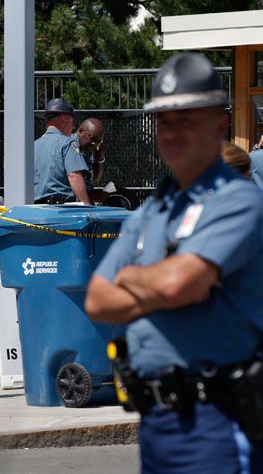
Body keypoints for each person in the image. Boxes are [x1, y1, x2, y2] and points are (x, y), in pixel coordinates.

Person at [86, 52, 263, 472]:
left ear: (219, 123)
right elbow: (97, 299)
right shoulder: (156, 207)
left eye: (188, 118)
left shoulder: (238, 200)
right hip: (157, 422)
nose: (174, 132)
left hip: (218, 420)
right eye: (165, 121)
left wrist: (132, 278)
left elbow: (175, 285)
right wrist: (168, 283)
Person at [33, 98, 91, 204]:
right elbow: (74, 176)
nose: (73, 127)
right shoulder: (67, 143)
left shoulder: (33, 146)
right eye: (72, 122)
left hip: (33, 209)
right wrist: (87, 205)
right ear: (63, 120)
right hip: (60, 211)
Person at [73, 118, 106, 198]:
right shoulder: (69, 146)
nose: (94, 144)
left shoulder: (87, 148)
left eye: (98, 141)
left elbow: (95, 179)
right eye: (91, 138)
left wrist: (99, 158)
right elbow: (71, 181)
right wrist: (90, 195)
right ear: (80, 131)